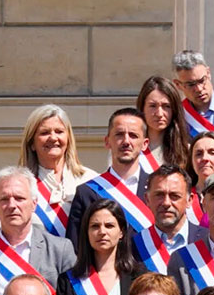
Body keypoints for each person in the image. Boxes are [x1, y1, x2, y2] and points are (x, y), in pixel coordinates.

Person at [55, 198, 143, 295]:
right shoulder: (68, 281)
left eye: (109, 226)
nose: (102, 231)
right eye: (95, 226)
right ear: (86, 232)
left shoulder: (139, 277)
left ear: (121, 232)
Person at [65, 109, 152, 242]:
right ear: (107, 141)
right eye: (119, 134)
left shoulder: (158, 189)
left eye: (133, 135)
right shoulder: (87, 192)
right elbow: (76, 248)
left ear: (145, 144)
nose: (126, 141)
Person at [0, 166, 78, 285]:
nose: (12, 205)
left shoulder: (59, 249)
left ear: (34, 204)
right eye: (4, 199)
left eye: (19, 198)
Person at [20, 103, 96, 215]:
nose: (53, 138)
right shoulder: (19, 184)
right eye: (44, 133)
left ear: (68, 139)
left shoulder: (90, 180)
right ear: (32, 143)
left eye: (59, 131)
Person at [135, 75, 191, 173]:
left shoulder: (187, 151)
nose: (159, 114)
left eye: (166, 106)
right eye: (153, 106)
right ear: (142, 107)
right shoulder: (129, 147)